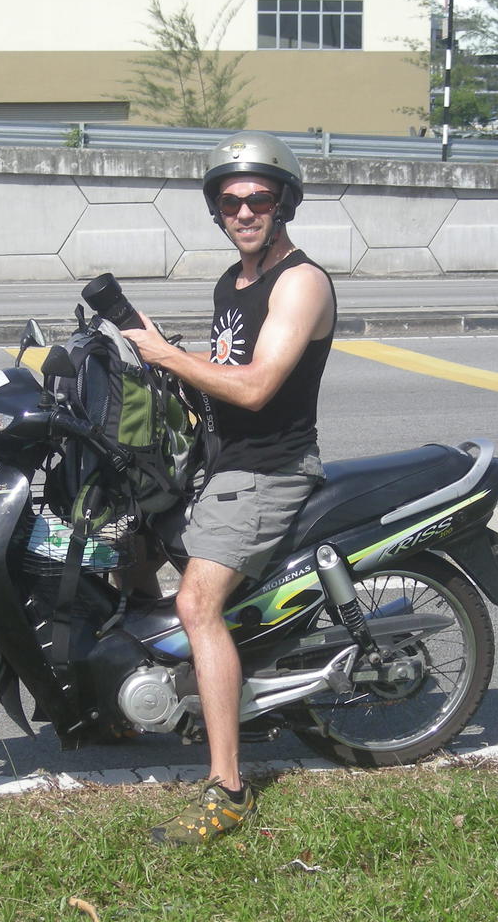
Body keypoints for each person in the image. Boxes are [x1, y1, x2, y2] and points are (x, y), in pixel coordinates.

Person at [122, 131, 336, 845]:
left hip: (268, 469)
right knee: (127, 535)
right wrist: (151, 368)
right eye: (229, 201)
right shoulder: (232, 283)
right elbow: (218, 376)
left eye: (259, 199)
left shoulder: (300, 283)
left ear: (285, 205)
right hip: (222, 461)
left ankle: (228, 789)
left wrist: (167, 355)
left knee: (196, 602)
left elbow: (254, 386)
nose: (243, 211)